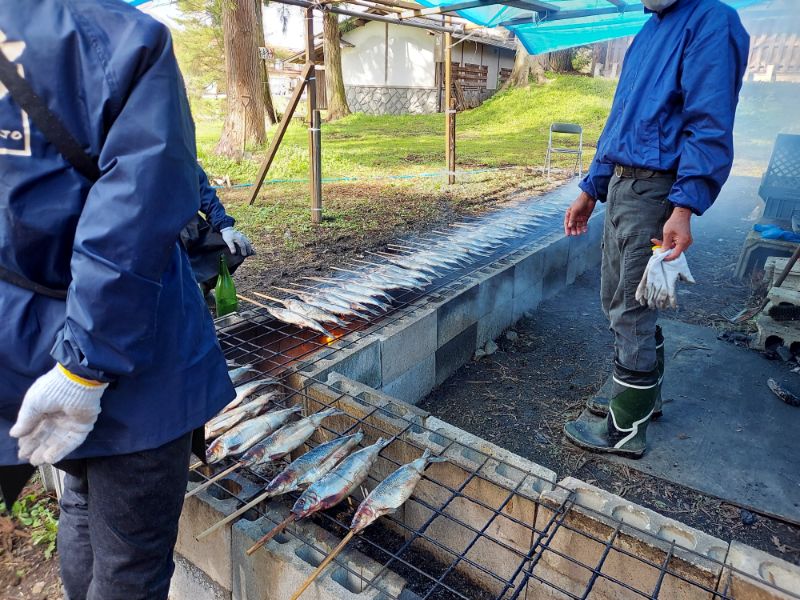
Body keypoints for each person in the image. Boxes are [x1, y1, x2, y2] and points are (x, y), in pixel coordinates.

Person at [0, 2, 234, 599]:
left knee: (78, 496)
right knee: (131, 563)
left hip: (20, 347)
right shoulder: (125, 39)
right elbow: (135, 218)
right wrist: (83, 369)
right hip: (135, 355)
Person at [562, 0, 749, 457]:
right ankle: (643, 397)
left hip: (656, 191)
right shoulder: (649, 32)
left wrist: (684, 205)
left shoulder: (711, 20)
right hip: (625, 187)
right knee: (618, 299)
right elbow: (620, 121)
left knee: (632, 308)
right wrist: (591, 188)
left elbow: (710, 121)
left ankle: (625, 429)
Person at [183, 166, 254, 296]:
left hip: (191, 227)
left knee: (235, 247)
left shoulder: (182, 157)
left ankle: (203, 288)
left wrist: (225, 227)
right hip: (154, 233)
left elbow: (205, 194)